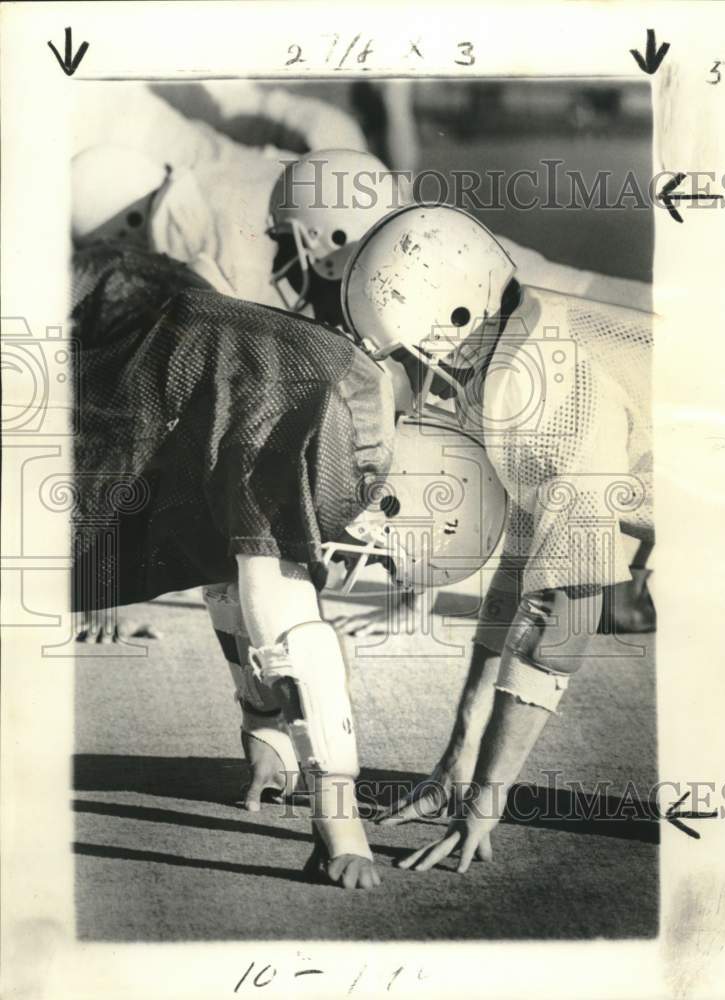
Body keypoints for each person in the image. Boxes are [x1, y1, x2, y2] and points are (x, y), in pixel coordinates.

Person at [70, 239, 505, 887]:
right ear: (389, 497)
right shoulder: (345, 419)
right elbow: (286, 616)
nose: (369, 569)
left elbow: (225, 562)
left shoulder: (349, 374)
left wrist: (267, 729)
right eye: (389, 561)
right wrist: (341, 827)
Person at [339, 203, 654, 870]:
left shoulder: (540, 387)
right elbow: (517, 582)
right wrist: (459, 758)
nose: (409, 382)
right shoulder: (507, 346)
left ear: (454, 322)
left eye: (407, 357)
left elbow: (561, 620)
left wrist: (485, 804)